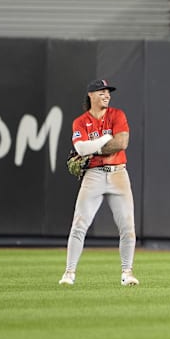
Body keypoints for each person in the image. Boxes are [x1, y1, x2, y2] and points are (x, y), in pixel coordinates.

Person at [59, 79, 139, 286]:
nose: (107, 95)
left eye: (108, 92)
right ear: (91, 96)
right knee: (79, 224)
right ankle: (69, 273)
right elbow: (80, 150)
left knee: (127, 227)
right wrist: (104, 141)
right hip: (93, 175)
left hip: (118, 173)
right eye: (102, 92)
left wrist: (93, 146)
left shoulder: (117, 115)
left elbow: (122, 143)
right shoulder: (80, 121)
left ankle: (127, 272)